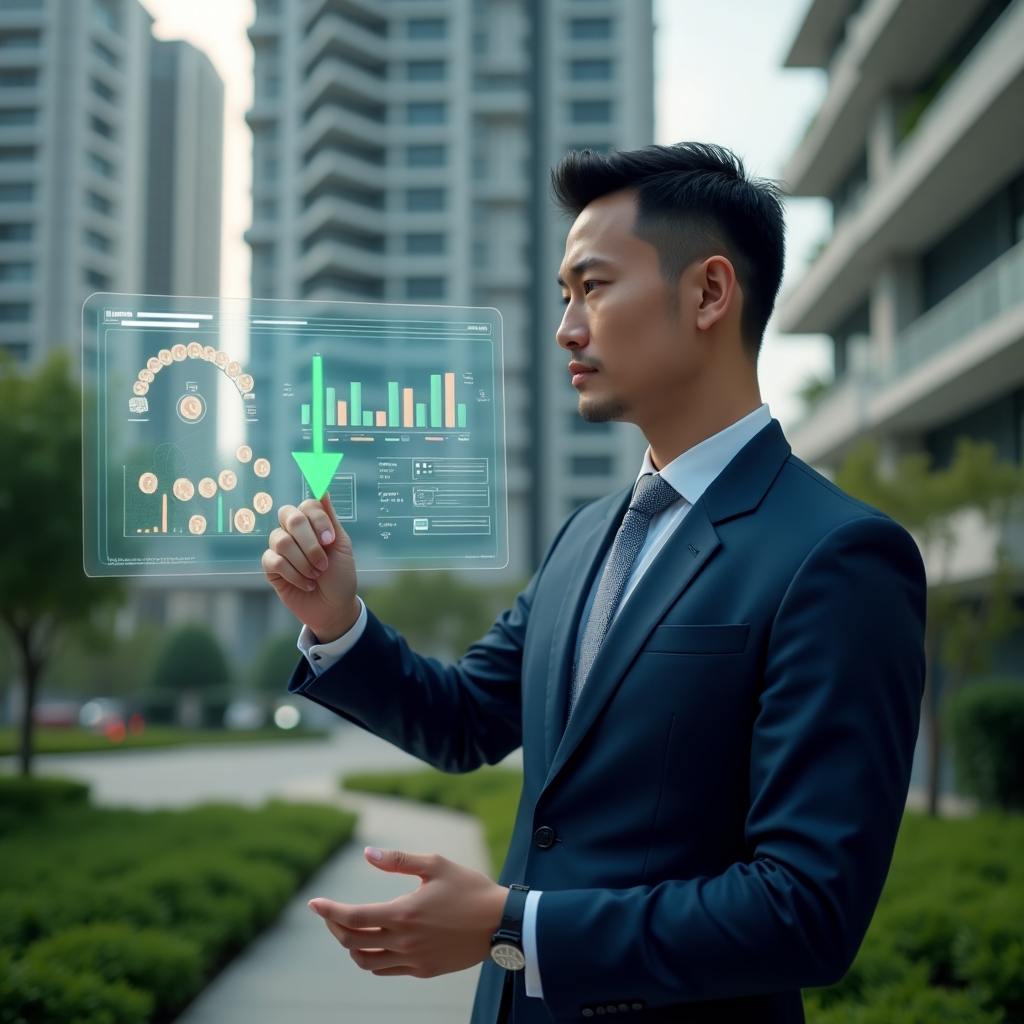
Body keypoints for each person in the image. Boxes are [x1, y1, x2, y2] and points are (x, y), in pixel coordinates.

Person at [262, 143, 926, 1024]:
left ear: (709, 293)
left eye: (595, 287)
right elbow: (467, 719)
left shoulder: (840, 556)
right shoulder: (585, 535)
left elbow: (805, 910)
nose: (568, 328)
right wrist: (338, 620)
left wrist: (515, 928)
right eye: (564, 296)